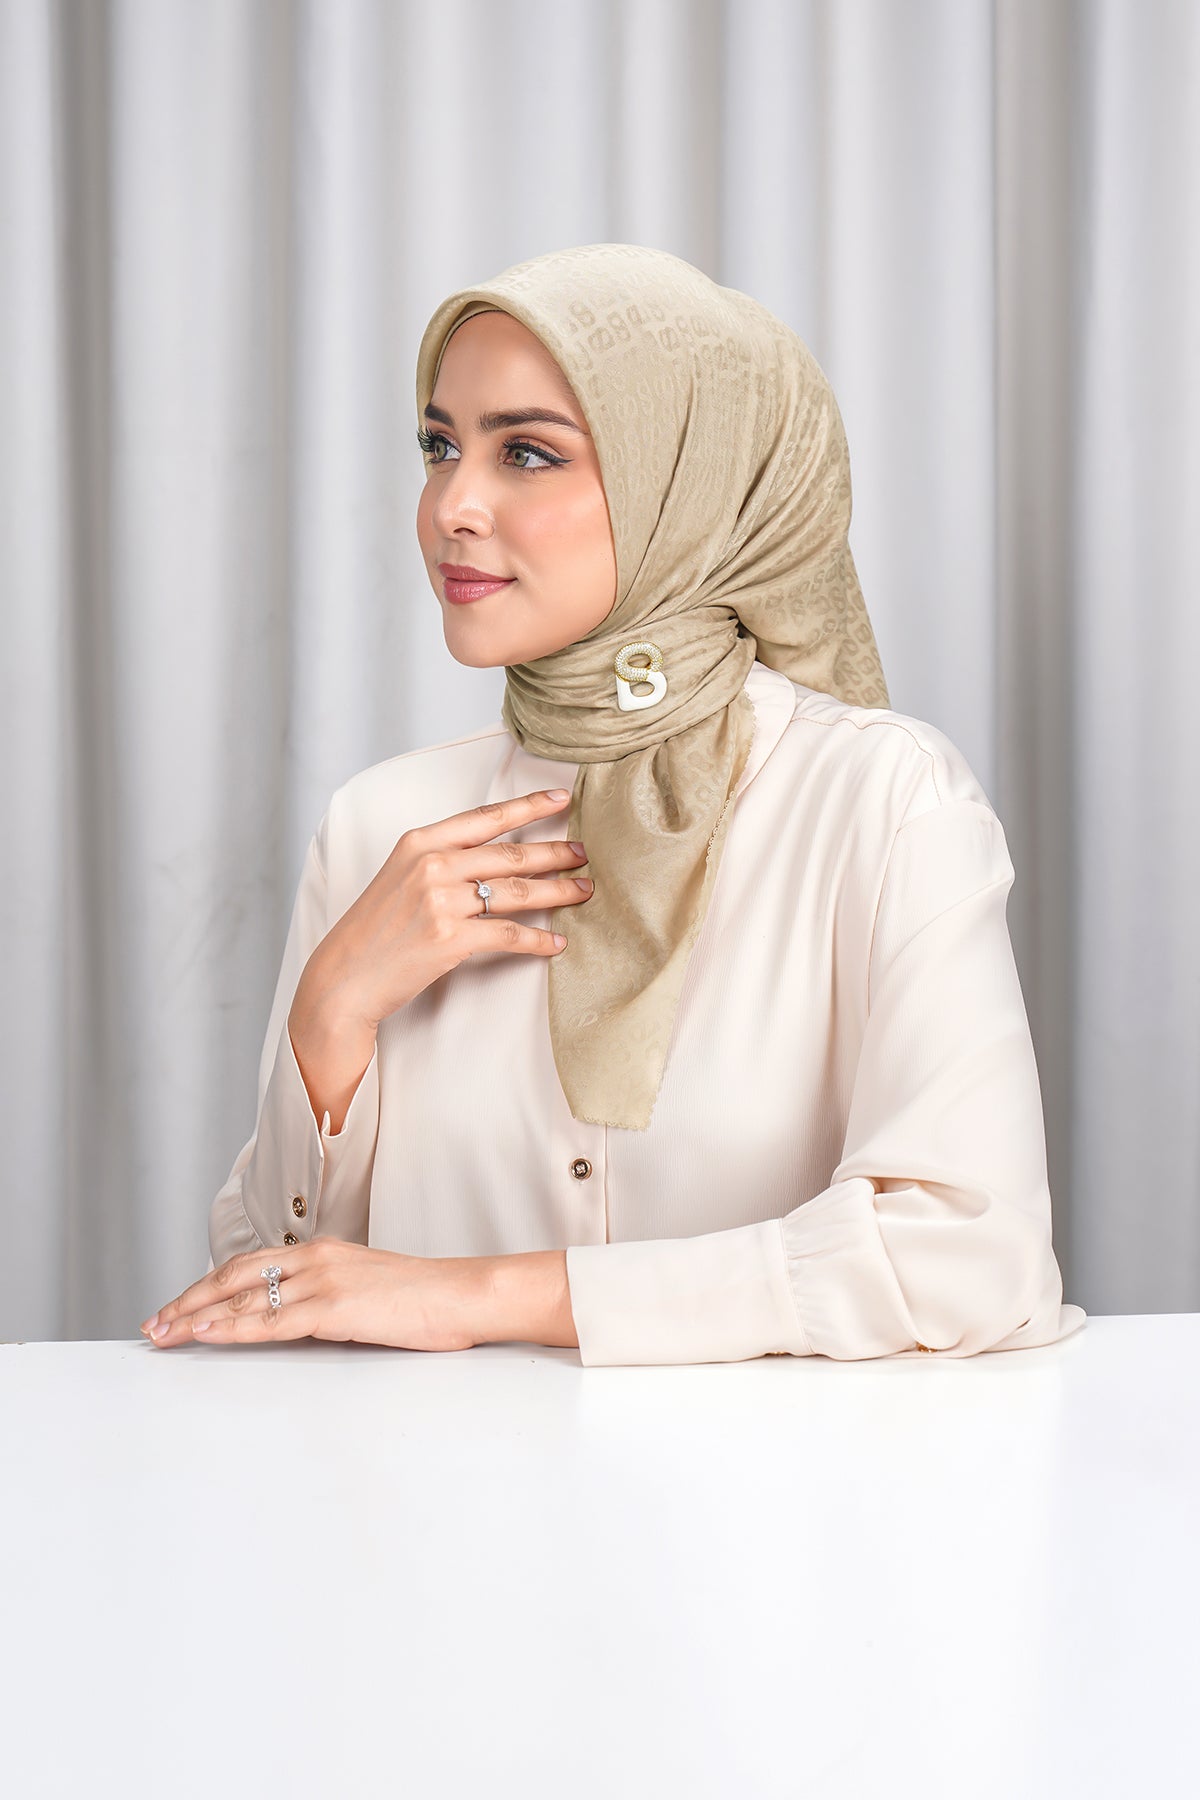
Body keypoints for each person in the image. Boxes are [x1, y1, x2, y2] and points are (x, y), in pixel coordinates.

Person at [140, 242, 1087, 1364]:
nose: (452, 506)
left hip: (787, 1483)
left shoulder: (880, 804)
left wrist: (483, 1295)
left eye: (527, 452)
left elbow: (970, 1260)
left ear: (689, 481)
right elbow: (273, 1286)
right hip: (433, 1479)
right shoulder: (381, 826)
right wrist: (330, 1016)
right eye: (439, 447)